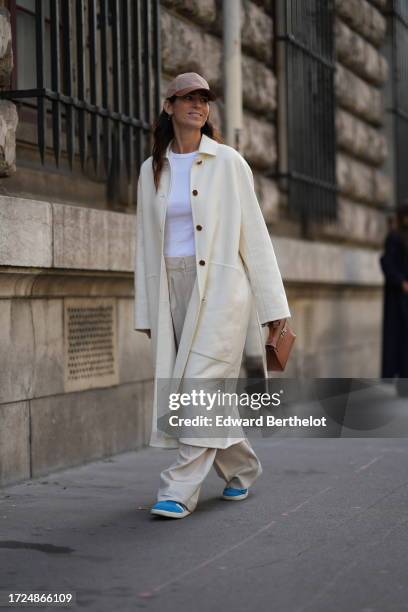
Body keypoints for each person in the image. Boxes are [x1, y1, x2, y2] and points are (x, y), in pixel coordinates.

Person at [134, 72, 291, 519]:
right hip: (172, 285)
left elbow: (254, 237)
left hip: (223, 290)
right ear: (169, 106)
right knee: (201, 388)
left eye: (204, 99)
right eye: (188, 98)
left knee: (198, 385)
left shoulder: (229, 162)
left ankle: (178, 489)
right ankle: (241, 467)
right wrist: (147, 309)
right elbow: (144, 241)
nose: (198, 106)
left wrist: (273, 308)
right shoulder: (152, 169)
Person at [380, 202, 408, 396]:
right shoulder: (394, 237)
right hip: (398, 299)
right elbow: (386, 262)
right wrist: (401, 282)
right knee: (400, 341)